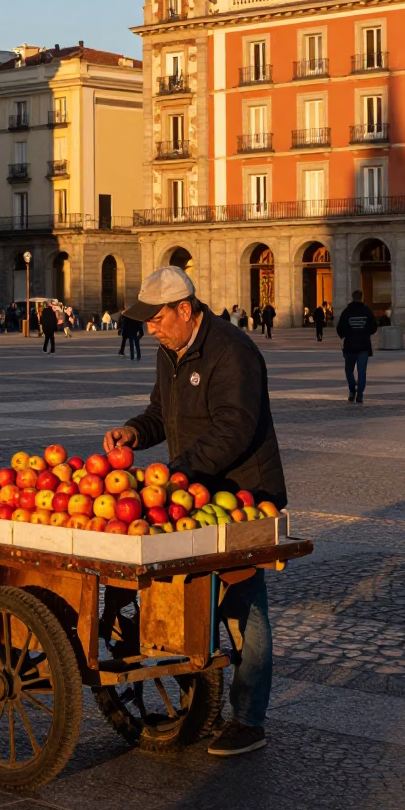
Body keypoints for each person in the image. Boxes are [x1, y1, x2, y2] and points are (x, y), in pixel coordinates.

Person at [103, 266, 286, 757]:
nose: (151, 329)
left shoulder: (233, 350)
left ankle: (249, 719)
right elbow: (162, 413)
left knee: (244, 604)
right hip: (191, 494)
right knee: (197, 599)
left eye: (158, 318)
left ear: (186, 310)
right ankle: (203, 703)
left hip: (243, 494)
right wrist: (134, 433)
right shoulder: (171, 351)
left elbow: (236, 428)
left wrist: (178, 473)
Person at [336, 290, 377, 404]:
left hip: (349, 346)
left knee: (349, 370)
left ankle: (352, 389)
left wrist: (346, 334)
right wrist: (365, 332)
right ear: (361, 297)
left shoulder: (347, 311)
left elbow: (340, 329)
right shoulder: (367, 311)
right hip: (364, 346)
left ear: (352, 297)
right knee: (362, 372)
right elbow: (373, 328)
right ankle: (360, 394)